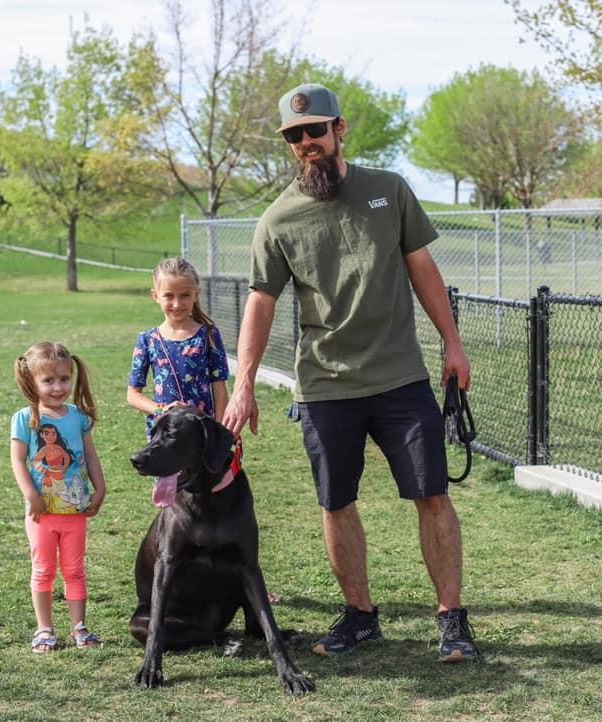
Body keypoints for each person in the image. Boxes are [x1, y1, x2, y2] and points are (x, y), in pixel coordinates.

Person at [222, 83, 479, 662]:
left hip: (400, 379)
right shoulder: (278, 219)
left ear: (340, 129)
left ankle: (452, 619)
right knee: (336, 503)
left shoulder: (389, 190)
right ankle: (361, 616)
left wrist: (453, 343)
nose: (306, 143)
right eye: (294, 136)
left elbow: (423, 269)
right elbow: (260, 302)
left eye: (315, 130)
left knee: (432, 495)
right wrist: (244, 384)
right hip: (325, 386)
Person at [127, 258, 282, 603]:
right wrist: (159, 410)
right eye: (169, 296)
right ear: (155, 295)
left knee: (225, 509)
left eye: (185, 295)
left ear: (196, 294)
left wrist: (229, 434)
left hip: (204, 443)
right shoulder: (148, 340)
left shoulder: (208, 335)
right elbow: (132, 394)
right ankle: (178, 573)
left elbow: (219, 387)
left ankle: (243, 578)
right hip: (169, 444)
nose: (177, 304)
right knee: (175, 507)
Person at [11, 341, 107, 653]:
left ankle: (80, 627)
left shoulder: (78, 417)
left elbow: (90, 456)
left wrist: (100, 487)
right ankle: (44, 629)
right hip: (41, 514)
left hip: (75, 512)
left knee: (75, 570)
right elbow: (18, 461)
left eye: (64, 379)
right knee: (43, 570)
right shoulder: (25, 418)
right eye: (48, 380)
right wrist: (31, 495)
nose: (58, 387)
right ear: (32, 381)